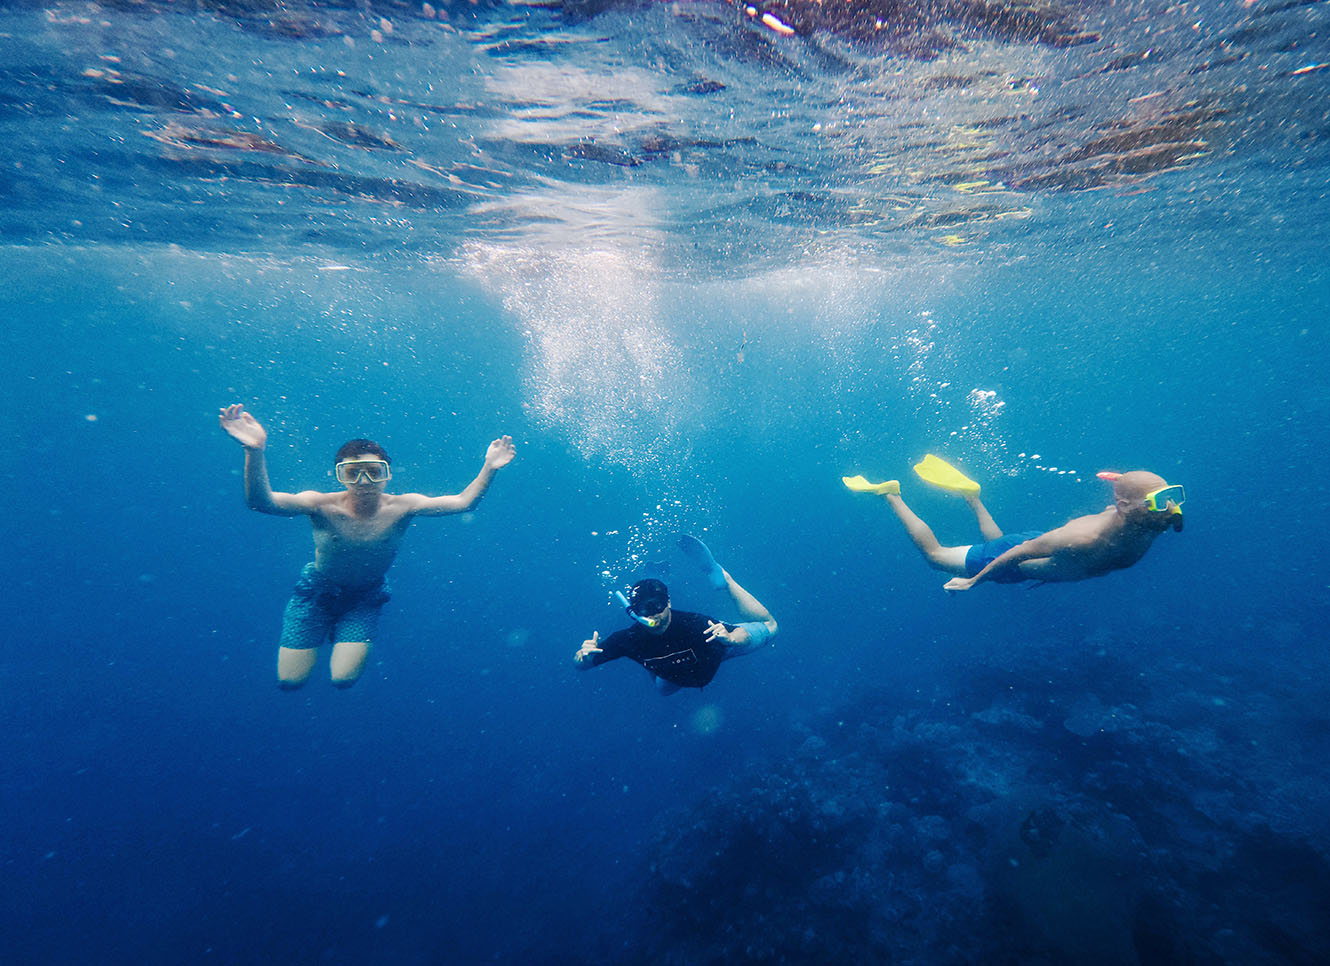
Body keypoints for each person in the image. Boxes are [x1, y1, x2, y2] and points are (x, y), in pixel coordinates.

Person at [218, 403, 516, 689]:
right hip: (316, 592)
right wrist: (253, 450)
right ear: (340, 475)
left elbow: (464, 502)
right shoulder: (319, 504)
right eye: (352, 473)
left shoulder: (403, 506)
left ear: (387, 475)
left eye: (374, 472)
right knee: (290, 682)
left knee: (343, 679)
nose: (363, 481)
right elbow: (261, 502)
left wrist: (490, 467)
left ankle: (343, 631)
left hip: (365, 596)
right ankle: (323, 626)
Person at [843, 454, 1183, 592]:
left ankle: (973, 498)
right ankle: (891, 493)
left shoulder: (1148, 518)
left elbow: (1140, 501)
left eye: (1173, 495)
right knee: (935, 557)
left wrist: (1124, 480)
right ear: (1124, 506)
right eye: (1159, 501)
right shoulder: (1086, 538)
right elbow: (1019, 552)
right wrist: (973, 581)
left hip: (1044, 547)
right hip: (1022, 557)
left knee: (1005, 543)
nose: (1169, 508)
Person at [574, 536, 778, 695]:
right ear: (634, 613)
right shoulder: (627, 640)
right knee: (661, 690)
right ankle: (653, 580)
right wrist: (582, 658)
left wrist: (731, 638)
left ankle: (724, 578)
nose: (656, 618)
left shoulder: (696, 625)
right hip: (673, 677)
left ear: (669, 603)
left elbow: (742, 633)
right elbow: (582, 666)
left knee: (770, 626)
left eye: (659, 606)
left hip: (721, 652)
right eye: (645, 611)